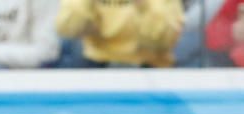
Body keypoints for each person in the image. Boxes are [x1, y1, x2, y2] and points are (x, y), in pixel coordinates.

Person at [55, 0, 184, 67]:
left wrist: (142, 6)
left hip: (149, 68)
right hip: (97, 65)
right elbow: (67, 28)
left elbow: (162, 42)